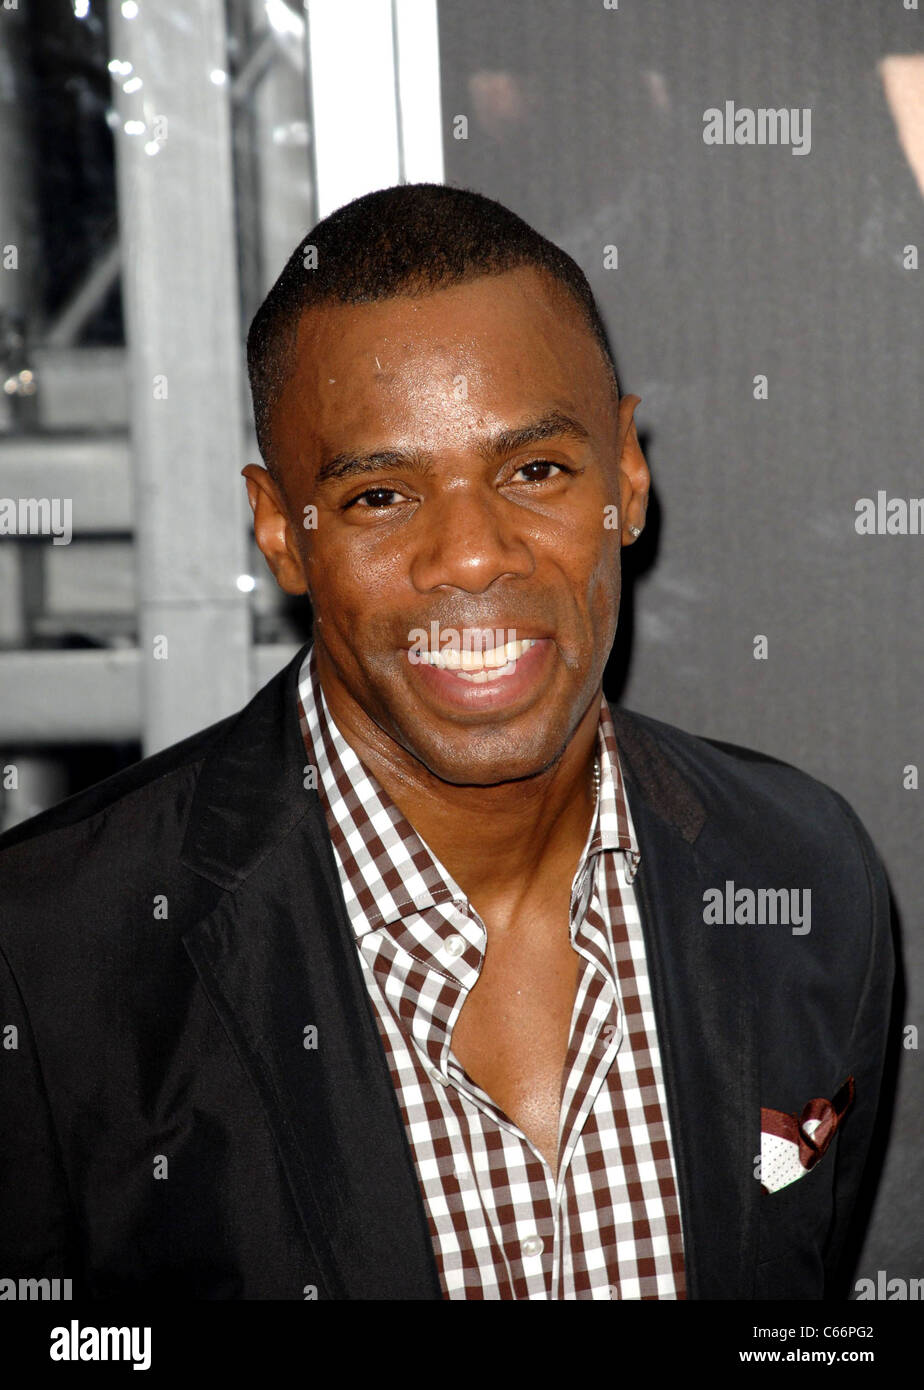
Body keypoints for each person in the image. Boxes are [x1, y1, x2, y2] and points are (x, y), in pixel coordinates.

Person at [0, 183, 894, 1300]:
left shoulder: (802, 875)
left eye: (535, 471)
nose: (471, 556)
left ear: (627, 474)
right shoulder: (47, 961)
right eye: (380, 494)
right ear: (283, 529)